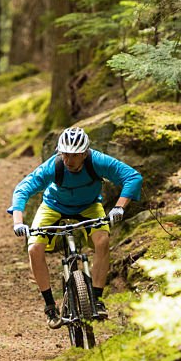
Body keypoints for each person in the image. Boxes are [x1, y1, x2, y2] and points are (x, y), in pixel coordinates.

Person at [8, 126, 142, 328]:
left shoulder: (97, 161)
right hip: (53, 206)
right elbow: (23, 189)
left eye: (74, 155)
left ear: (85, 153)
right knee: (34, 248)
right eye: (65, 154)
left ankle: (96, 298)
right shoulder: (53, 166)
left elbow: (132, 177)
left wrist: (119, 208)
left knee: (103, 241)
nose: (69, 160)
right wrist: (18, 221)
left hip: (89, 206)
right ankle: (50, 306)